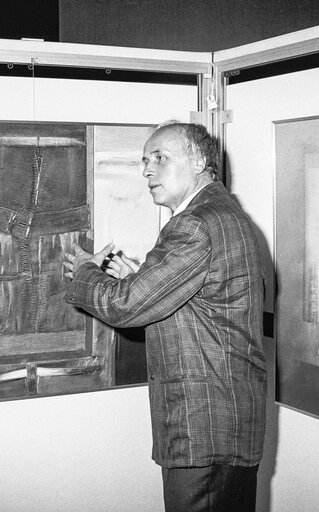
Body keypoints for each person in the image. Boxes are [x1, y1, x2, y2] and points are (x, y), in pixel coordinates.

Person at [64, 121, 266, 512]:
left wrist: (87, 271)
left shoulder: (195, 223)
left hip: (204, 429)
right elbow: (212, 311)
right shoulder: (224, 215)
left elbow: (123, 306)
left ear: (200, 161)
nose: (146, 170)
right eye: (144, 160)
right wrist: (141, 281)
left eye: (160, 158)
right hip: (223, 427)